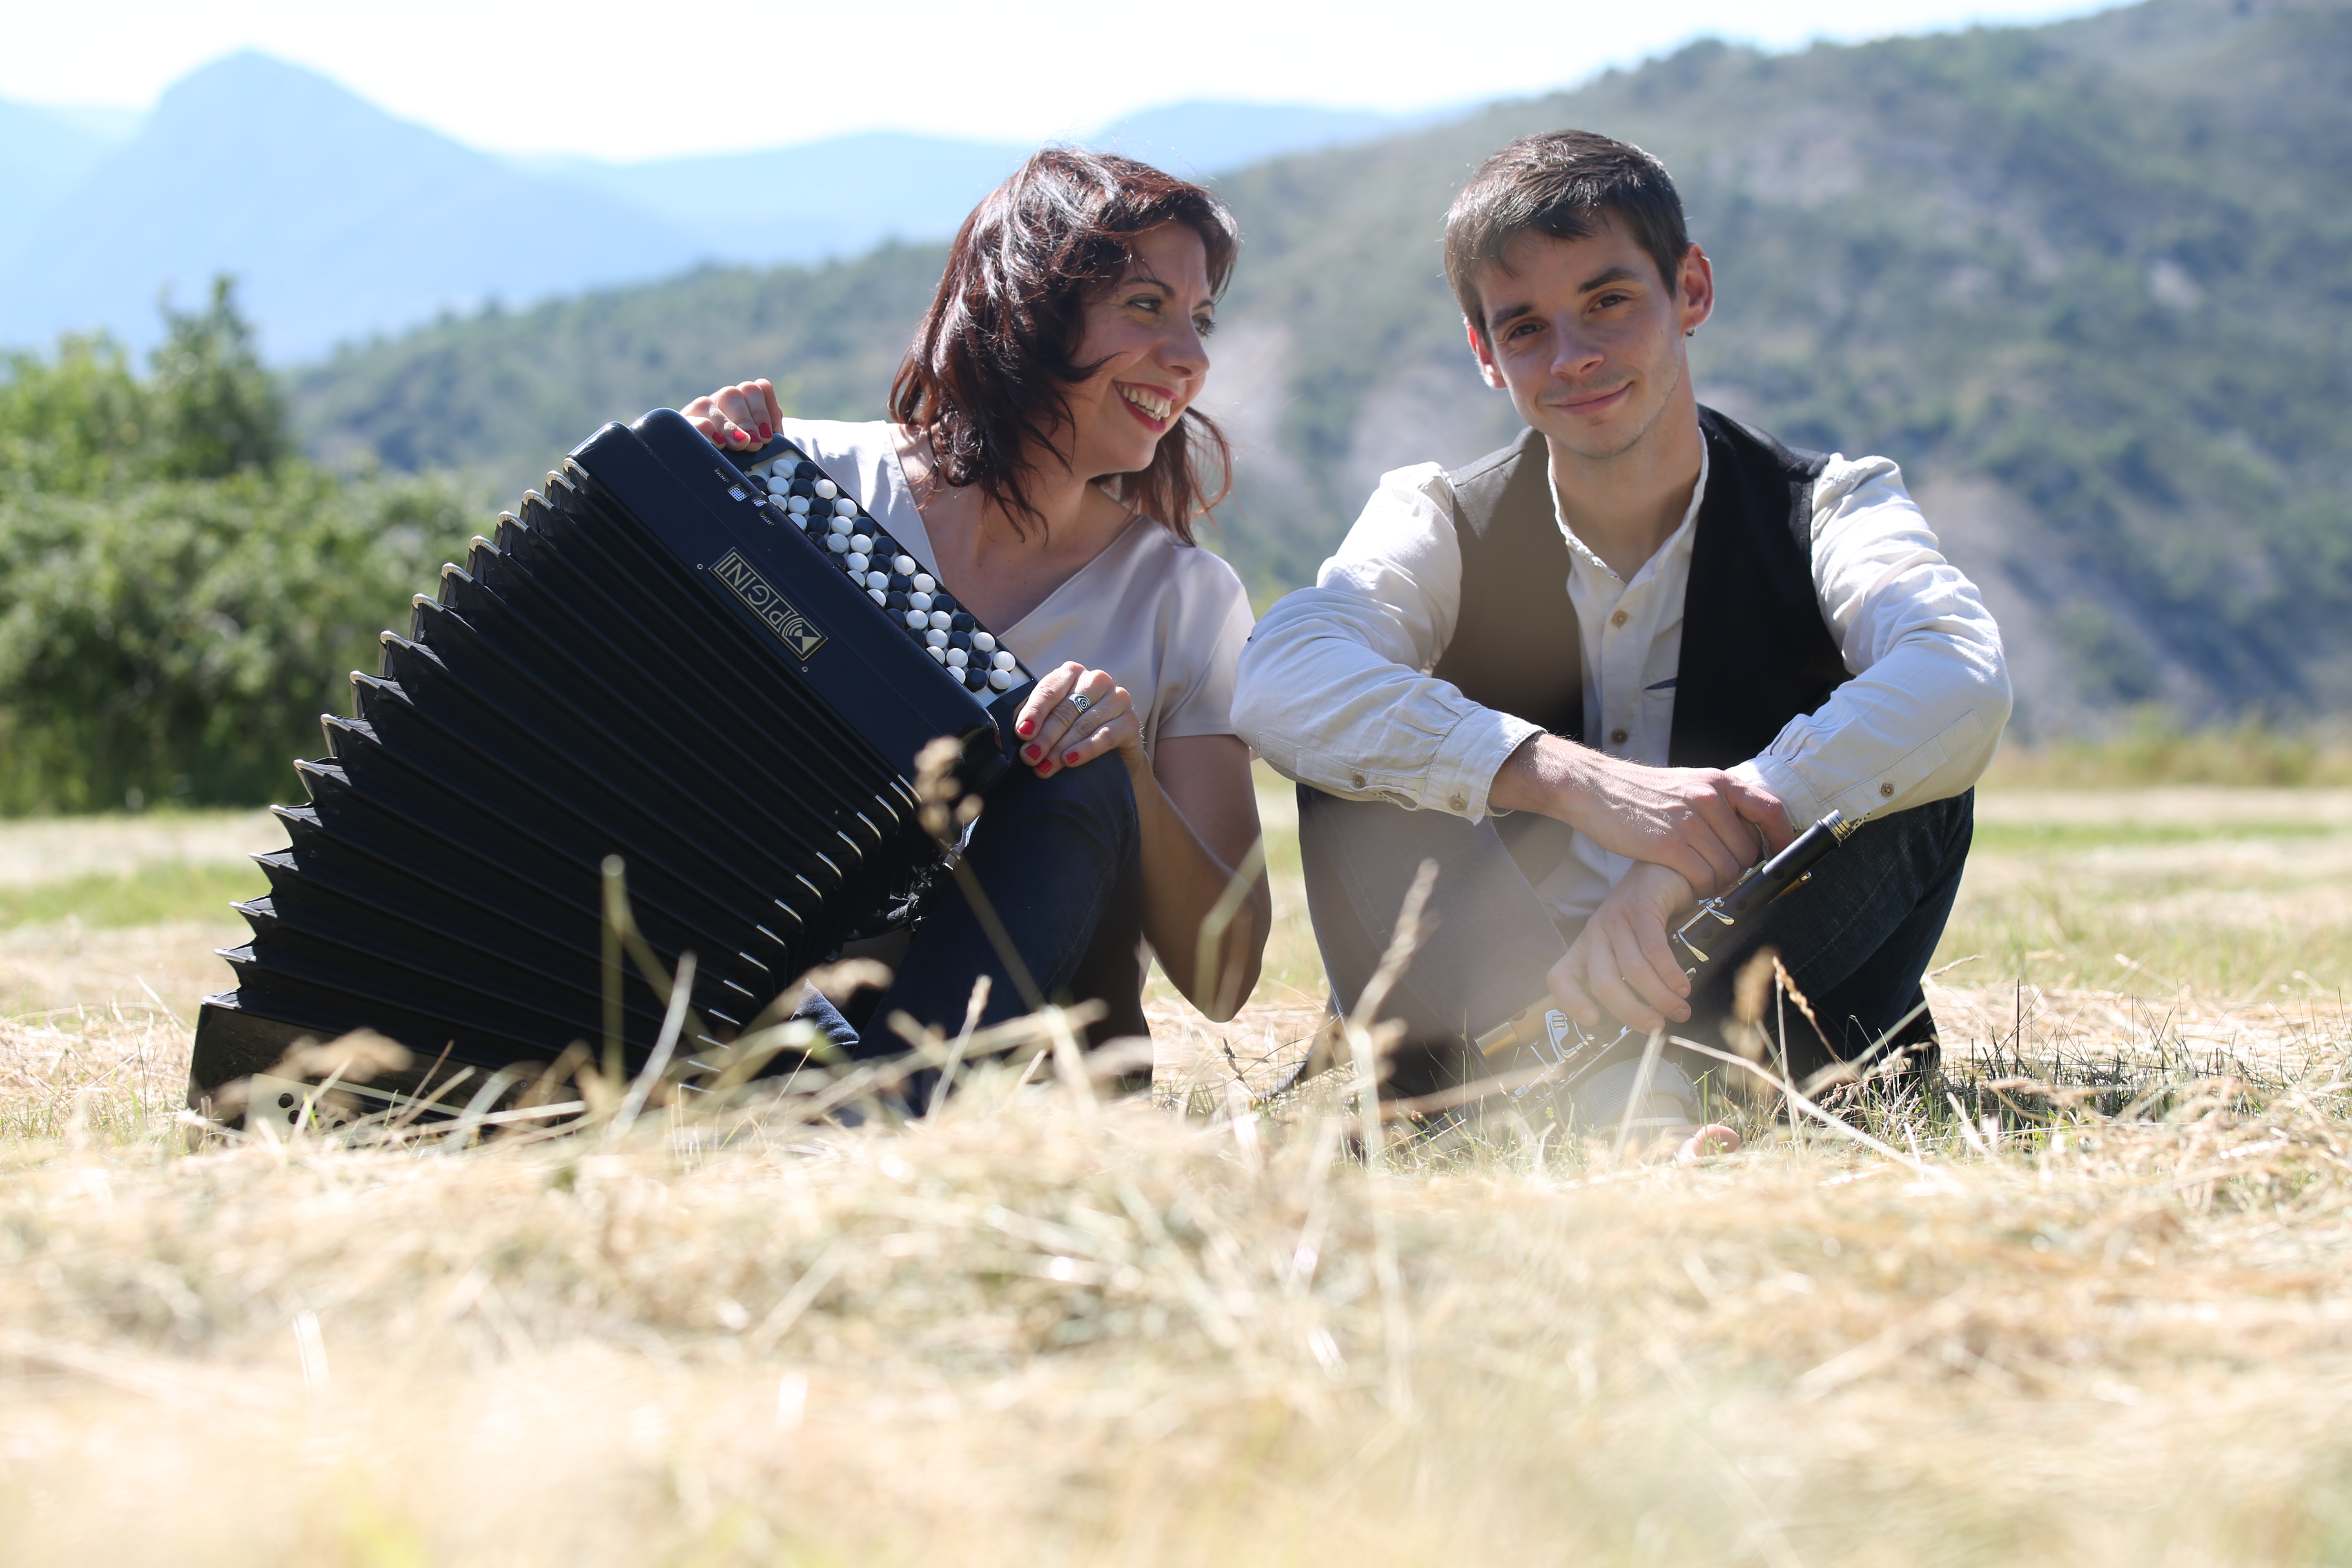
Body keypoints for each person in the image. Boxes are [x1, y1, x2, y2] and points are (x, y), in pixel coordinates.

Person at [1232, 130, 2009, 1150]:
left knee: (1912, 777)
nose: (1574, 358)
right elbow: (1281, 675)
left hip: (1752, 982)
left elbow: (1961, 670)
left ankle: (1642, 1090)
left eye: (1609, 302)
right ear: (1484, 354)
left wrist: (1688, 857)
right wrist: (1565, 778)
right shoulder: (1433, 514)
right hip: (1493, 997)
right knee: (1348, 759)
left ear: (1691, 290)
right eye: (1525, 329)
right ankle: (1602, 1096)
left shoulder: (1831, 505)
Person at [684, 149, 1268, 1065]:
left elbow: (1227, 979)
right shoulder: (805, 486)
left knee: (1076, 777)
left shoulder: (1186, 602)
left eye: (1200, 321)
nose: (1192, 359)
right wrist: (683, 501)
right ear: (1026, 309)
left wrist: (1126, 775)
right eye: (1146, 307)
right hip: (761, 1017)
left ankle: (889, 1127)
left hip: (1010, 1072)